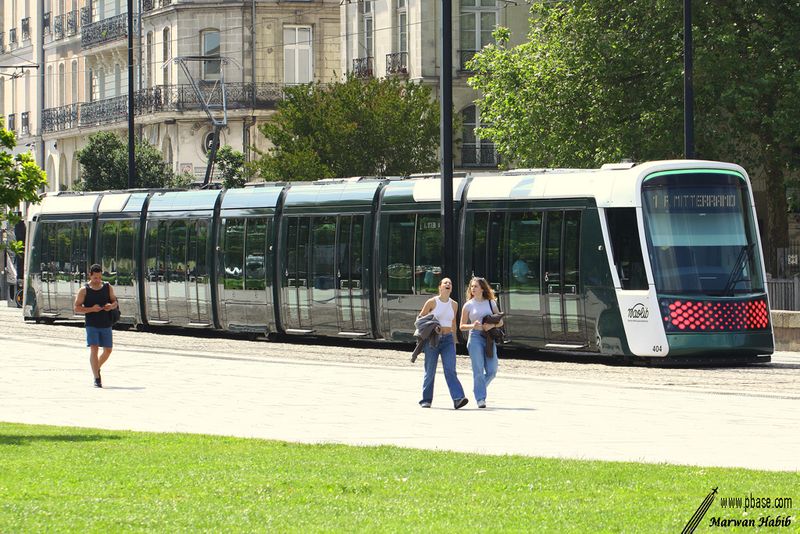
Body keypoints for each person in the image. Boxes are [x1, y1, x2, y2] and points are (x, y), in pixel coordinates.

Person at [417, 277, 468, 409]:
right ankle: (426, 400)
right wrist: (432, 326)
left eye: (450, 283)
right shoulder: (432, 302)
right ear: (440, 287)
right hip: (432, 339)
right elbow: (420, 320)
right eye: (445, 283)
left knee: (450, 370)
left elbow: (453, 323)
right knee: (430, 370)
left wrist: (455, 341)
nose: (448, 284)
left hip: (448, 340)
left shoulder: (454, 304)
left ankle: (458, 398)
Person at [460, 277, 503, 408]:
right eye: (472, 286)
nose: (473, 289)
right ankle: (480, 399)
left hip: (489, 338)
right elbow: (461, 326)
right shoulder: (468, 305)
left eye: (476, 286)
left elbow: (500, 321)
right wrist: (473, 325)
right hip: (475, 338)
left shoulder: (491, 303)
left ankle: (478, 388)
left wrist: (491, 326)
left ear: (482, 288)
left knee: (492, 371)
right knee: (478, 370)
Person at [74, 264, 118, 388]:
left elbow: (115, 302)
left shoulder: (108, 287)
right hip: (91, 324)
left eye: (99, 277)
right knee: (94, 349)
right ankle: (97, 379)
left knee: (108, 350)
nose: (97, 280)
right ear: (90, 275)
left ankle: (96, 368)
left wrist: (111, 306)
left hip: (106, 323)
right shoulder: (84, 290)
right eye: (95, 278)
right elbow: (76, 308)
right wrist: (91, 309)